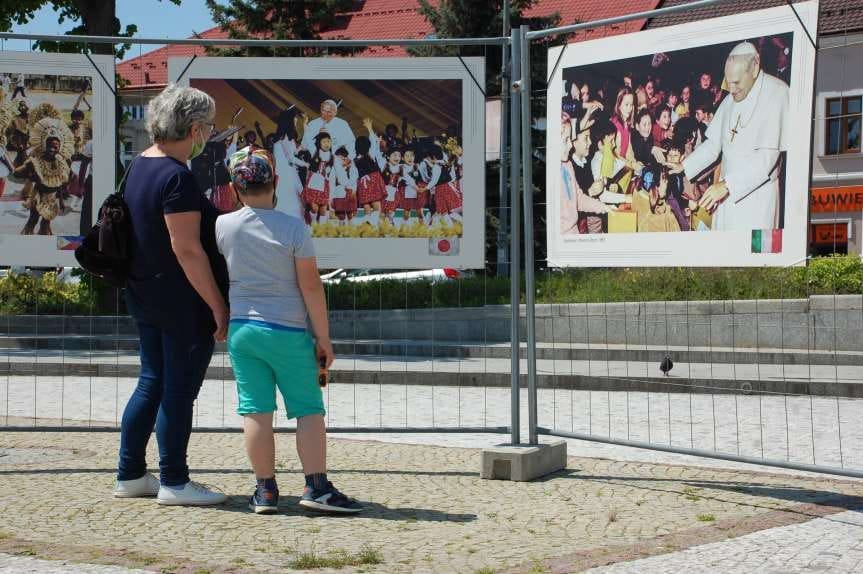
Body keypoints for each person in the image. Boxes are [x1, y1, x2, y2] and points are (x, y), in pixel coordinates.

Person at [217, 146, 363, 515]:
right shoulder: (294, 229)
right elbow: (311, 286)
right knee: (308, 410)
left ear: (235, 188)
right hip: (287, 331)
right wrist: (323, 338)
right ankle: (316, 487)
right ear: (276, 182)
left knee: (255, 411)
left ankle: (265, 492)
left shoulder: (223, 226)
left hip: (243, 330)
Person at [114, 84, 229, 506]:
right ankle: (175, 481)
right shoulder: (177, 177)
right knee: (178, 391)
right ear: (195, 129)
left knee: (151, 382)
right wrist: (218, 304)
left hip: (143, 292)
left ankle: (129, 474)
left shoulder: (141, 165)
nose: (208, 136)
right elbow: (187, 249)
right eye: (208, 128)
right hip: (180, 300)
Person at [669, 42, 789, 231]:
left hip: (757, 201)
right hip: (725, 199)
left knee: (755, 259)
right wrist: (684, 166)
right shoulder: (730, 100)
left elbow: (767, 159)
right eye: (729, 82)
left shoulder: (778, 93)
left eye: (737, 82)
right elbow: (713, 145)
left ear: (755, 67)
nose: (731, 90)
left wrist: (727, 185)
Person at [14, 117, 74, 235]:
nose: (52, 149)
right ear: (44, 145)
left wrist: (61, 200)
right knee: (33, 220)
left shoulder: (62, 163)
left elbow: (60, 184)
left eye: (55, 146)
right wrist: (31, 174)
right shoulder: (36, 162)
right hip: (38, 197)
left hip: (52, 199)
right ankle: (26, 241)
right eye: (49, 145)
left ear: (60, 147)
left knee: (46, 224)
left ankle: (43, 244)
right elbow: (16, 173)